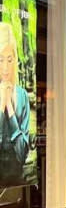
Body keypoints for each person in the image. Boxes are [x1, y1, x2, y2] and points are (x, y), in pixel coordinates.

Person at [0, 22, 30, 186]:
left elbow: (22, 153)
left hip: (18, 183)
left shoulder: (22, 95)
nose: (5, 67)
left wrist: (10, 109)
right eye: (0, 59)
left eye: (10, 60)